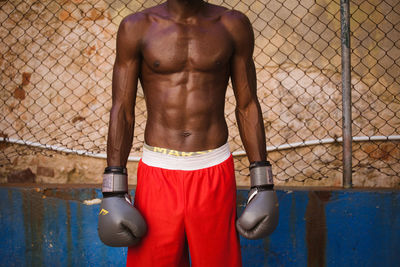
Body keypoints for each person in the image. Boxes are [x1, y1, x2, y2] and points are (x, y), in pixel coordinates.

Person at [97, 0, 279, 266]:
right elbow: (122, 108)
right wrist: (113, 190)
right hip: (158, 172)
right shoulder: (137, 27)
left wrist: (262, 183)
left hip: (213, 168)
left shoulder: (232, 25)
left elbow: (248, 104)